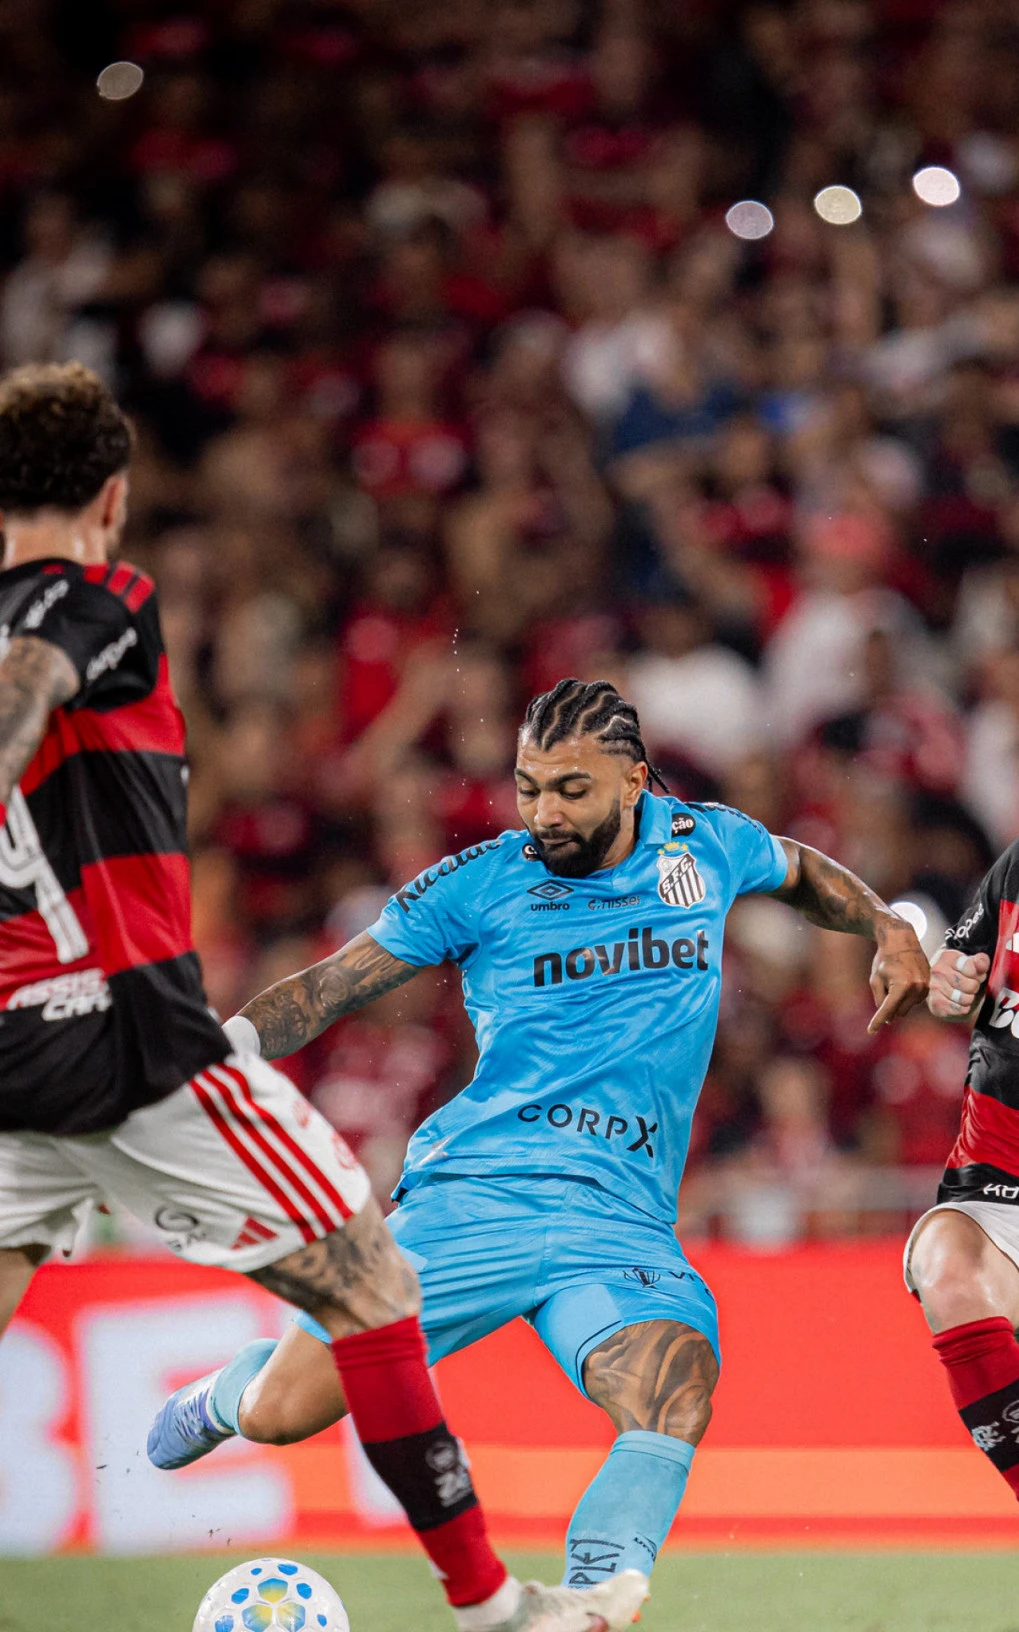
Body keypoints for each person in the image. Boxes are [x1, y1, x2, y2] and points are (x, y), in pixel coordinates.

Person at [0, 362, 644, 1632]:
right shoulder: (96, 594)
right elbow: (29, 680)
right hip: (134, 1040)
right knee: (371, 1289)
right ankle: (489, 1604)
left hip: (10, 1053)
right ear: (115, 499)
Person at [151, 674, 930, 1588]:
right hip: (475, 1197)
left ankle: (595, 1596)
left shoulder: (708, 844)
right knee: (284, 1413)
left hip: (619, 1223)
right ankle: (228, 1390)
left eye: (571, 789)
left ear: (636, 782)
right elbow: (324, 990)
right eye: (527, 787)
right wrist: (208, 1058)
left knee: (674, 1390)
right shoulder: (481, 882)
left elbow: (798, 870)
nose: (543, 812)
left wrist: (884, 924)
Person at [904, 839, 1019, 1502]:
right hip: (995, 1182)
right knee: (948, 1271)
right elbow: (956, 970)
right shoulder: (1014, 867)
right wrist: (948, 986)